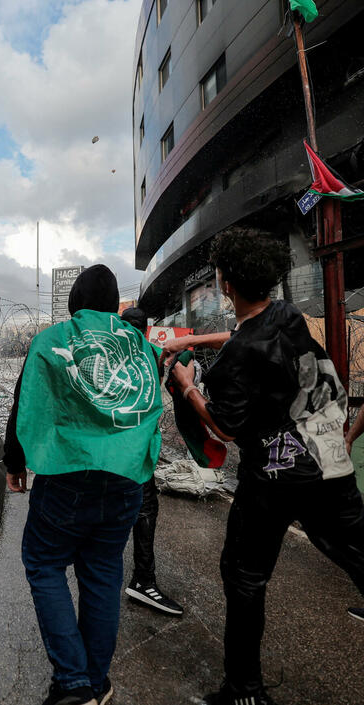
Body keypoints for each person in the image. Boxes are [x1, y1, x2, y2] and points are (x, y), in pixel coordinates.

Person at [162, 228, 364, 705]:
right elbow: (245, 335)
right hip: (330, 466)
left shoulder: (237, 360)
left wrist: (189, 384)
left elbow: (226, 429)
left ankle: (244, 691)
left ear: (225, 283)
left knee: (245, 576)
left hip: (273, 479)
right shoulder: (288, 315)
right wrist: (199, 338)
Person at [4, 265, 163, 705]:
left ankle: (73, 684)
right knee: (104, 573)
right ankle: (96, 683)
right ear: (114, 305)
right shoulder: (141, 348)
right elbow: (150, 413)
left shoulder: (52, 340)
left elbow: (26, 403)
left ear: (74, 301)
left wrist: (15, 463)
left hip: (67, 477)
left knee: (43, 562)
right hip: (127, 481)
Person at [119, 307, 184, 617]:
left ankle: (103, 572)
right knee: (145, 508)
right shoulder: (150, 352)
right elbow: (178, 365)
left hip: (110, 449)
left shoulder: (110, 351)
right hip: (138, 450)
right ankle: (143, 580)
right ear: (145, 329)